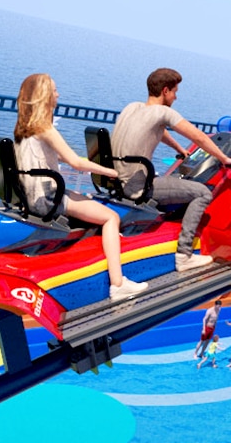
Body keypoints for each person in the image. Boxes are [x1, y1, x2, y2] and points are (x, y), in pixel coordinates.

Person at [14, 73, 148, 302]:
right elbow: (75, 162)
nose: (58, 94)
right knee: (111, 217)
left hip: (31, 195)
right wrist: (112, 172)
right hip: (47, 197)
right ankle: (118, 284)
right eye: (54, 90)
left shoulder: (24, 128)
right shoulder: (44, 127)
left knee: (87, 201)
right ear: (44, 96)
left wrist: (89, 162)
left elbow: (62, 158)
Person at [109, 68, 231, 272]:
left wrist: (178, 148)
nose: (176, 97)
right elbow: (199, 137)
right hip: (138, 186)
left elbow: (157, 130)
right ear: (165, 90)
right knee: (202, 193)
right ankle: (184, 255)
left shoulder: (132, 108)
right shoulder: (165, 111)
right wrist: (223, 158)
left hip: (118, 180)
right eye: (175, 92)